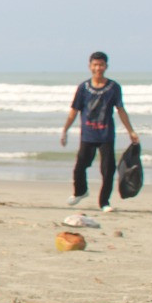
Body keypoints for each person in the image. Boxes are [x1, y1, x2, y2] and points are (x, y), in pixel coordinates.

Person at [60, 51, 139, 212]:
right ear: (90, 66)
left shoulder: (113, 87)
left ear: (106, 66)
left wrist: (131, 131)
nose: (98, 68)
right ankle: (80, 191)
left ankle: (104, 202)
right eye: (95, 65)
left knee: (107, 170)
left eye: (101, 64)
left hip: (106, 135)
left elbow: (121, 110)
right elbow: (74, 111)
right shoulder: (83, 88)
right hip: (88, 135)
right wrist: (65, 130)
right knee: (80, 166)